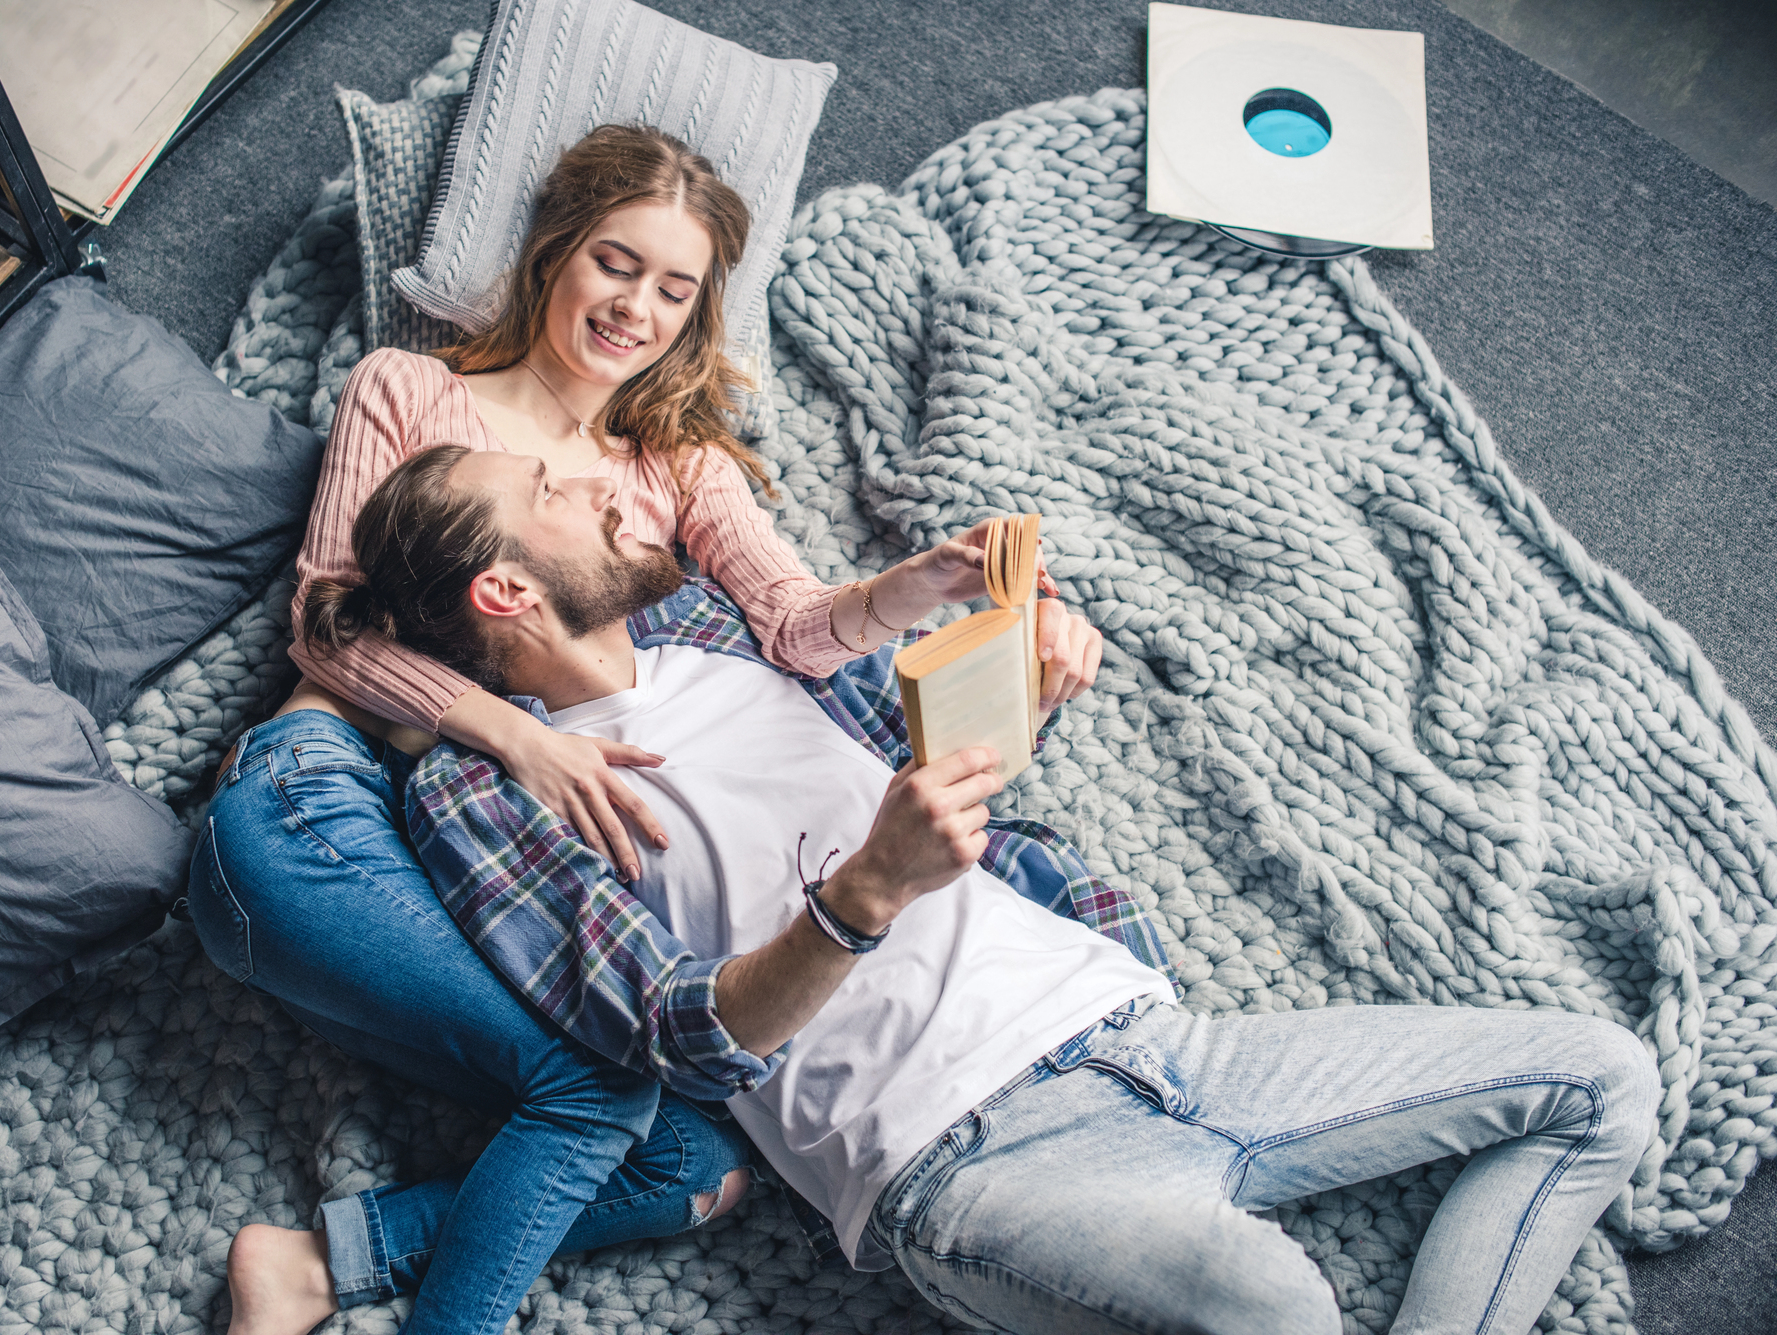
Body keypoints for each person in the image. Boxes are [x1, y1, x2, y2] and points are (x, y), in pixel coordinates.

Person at [301, 441, 1660, 1335]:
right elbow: (672, 1030)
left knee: (1602, 1075)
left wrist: (1020, 675)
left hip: (1150, 1035)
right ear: (504, 588)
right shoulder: (480, 794)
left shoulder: (708, 625)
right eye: (556, 495)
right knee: (1282, 1308)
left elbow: (920, 767)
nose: (603, 486)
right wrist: (858, 899)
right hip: (962, 1152)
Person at [195, 124, 1098, 1335]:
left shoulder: (665, 464)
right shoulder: (413, 392)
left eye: (674, 288)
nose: (637, 307)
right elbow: (325, 626)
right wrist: (517, 738)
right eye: (616, 264)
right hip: (332, 794)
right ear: (553, 254)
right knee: (598, 1086)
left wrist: (920, 585)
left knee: (699, 1155)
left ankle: (316, 1265)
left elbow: (791, 621)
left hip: (498, 851)